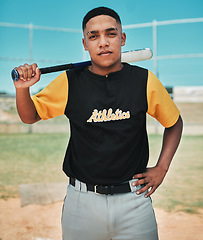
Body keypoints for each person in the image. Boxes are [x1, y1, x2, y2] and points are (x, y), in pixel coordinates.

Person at [13, 6, 183, 240]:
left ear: (122, 39)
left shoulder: (144, 80)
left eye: (110, 34)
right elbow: (29, 116)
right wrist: (23, 89)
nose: (103, 42)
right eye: (94, 36)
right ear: (85, 44)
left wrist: (162, 168)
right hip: (82, 202)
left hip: (134, 200)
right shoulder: (69, 82)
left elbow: (174, 122)